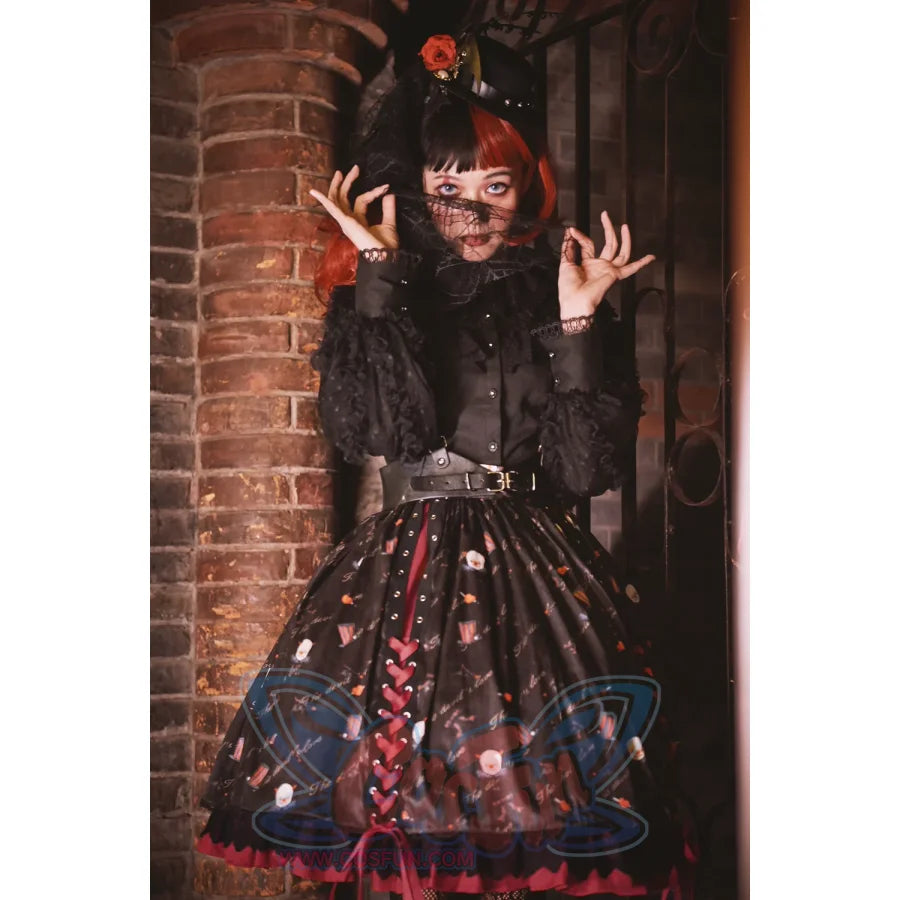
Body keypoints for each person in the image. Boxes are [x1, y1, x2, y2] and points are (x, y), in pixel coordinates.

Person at [195, 31, 696, 900]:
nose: (472, 210)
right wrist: (379, 274)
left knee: (548, 818)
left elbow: (584, 470)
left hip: (538, 570)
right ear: (421, 186)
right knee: (404, 812)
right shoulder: (385, 288)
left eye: (494, 186)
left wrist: (579, 323)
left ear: (525, 187)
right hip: (408, 569)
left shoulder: (561, 287)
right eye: (449, 187)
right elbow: (375, 430)